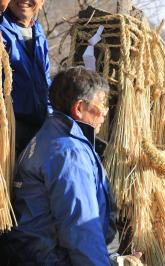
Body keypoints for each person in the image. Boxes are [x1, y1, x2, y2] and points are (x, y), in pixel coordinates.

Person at [1, 67, 119, 265]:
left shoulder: (48, 136)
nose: (105, 112)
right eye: (102, 104)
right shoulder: (68, 151)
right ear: (79, 108)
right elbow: (81, 228)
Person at [0, 0, 51, 157]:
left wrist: (51, 120)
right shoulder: (2, 27)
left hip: (38, 129)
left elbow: (46, 81)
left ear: (42, 2)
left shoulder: (38, 31)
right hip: (9, 128)